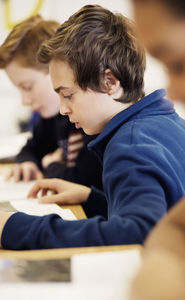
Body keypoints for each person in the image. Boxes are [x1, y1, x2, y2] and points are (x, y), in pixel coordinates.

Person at [1, 4, 185, 250]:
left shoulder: (129, 144)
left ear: (110, 82)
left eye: (68, 95)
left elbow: (139, 232)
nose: (63, 109)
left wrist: (15, 227)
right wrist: (91, 198)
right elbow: (161, 213)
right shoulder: (162, 121)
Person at [0, 15, 103, 218]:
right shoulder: (51, 117)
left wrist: (51, 165)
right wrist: (27, 162)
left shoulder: (88, 117)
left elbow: (82, 181)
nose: (25, 101)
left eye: (27, 87)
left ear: (55, 69)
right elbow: (33, 146)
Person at [130, 0, 185, 299]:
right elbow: (177, 228)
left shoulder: (132, 142)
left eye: (179, 64)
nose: (174, 93)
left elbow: (140, 227)